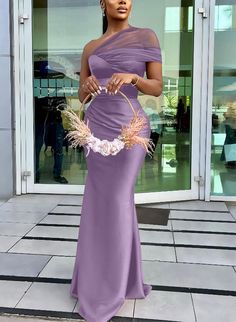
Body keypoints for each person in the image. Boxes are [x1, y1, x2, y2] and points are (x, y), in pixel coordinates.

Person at [70, 1, 162, 321]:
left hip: (131, 129)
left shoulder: (146, 37)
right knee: (98, 202)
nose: (123, 1)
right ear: (102, 4)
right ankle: (102, 280)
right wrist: (87, 85)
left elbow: (157, 88)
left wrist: (133, 79)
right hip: (96, 128)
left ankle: (111, 287)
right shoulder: (90, 47)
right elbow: (82, 95)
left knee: (119, 200)